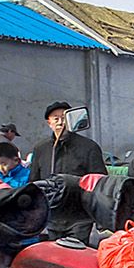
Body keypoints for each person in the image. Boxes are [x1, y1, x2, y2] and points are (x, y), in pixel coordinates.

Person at [29, 101, 106, 242]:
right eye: (56, 118)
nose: (60, 122)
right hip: (51, 218)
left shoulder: (89, 147)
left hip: (79, 218)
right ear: (49, 123)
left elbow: (100, 182)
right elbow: (34, 181)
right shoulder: (41, 149)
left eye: (64, 117)